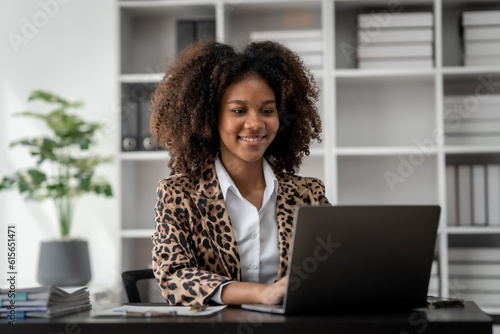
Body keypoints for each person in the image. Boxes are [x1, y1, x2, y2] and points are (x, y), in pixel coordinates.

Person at [149, 40, 329, 306]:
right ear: (211, 118)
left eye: (267, 111)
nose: (255, 123)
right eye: (239, 110)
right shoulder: (179, 195)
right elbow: (173, 276)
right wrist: (260, 294)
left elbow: (333, 268)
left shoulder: (309, 194)